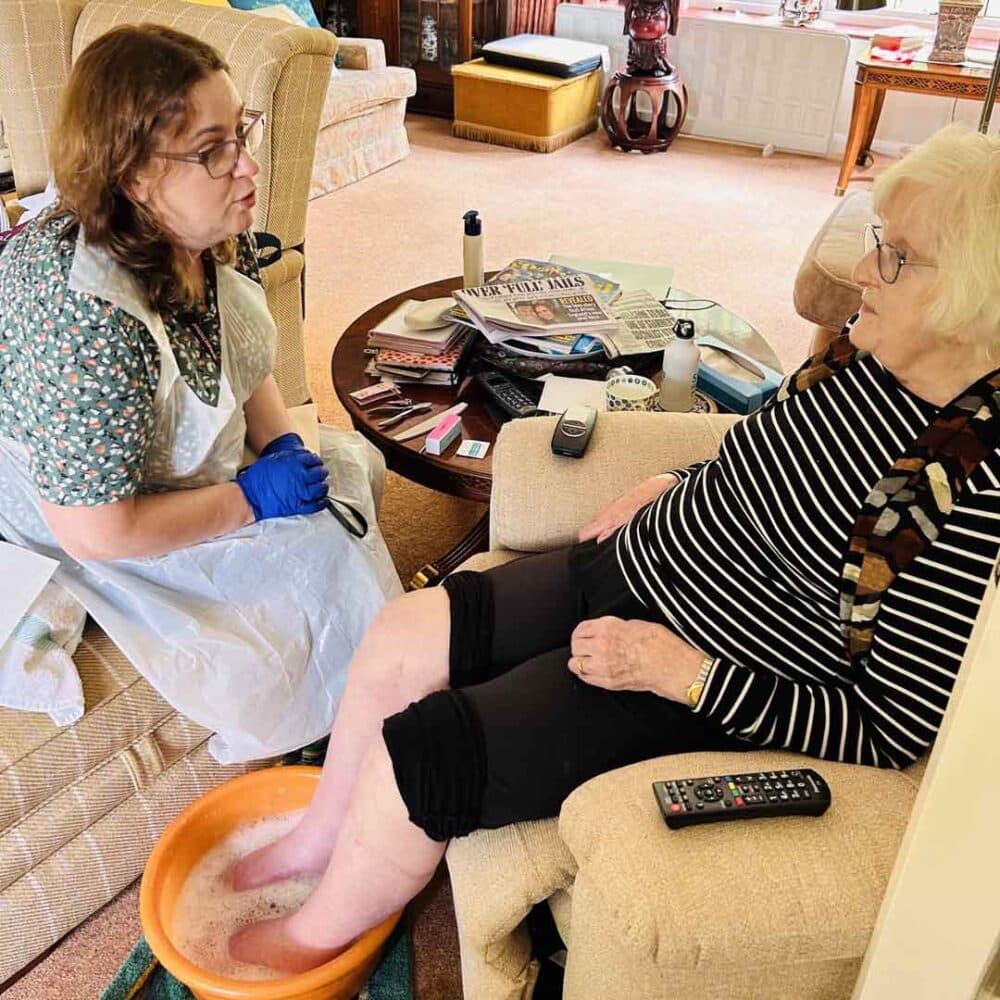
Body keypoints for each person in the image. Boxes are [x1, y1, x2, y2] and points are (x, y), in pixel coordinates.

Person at [228, 124, 1000, 973]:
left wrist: (681, 672)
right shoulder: (866, 350)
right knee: (402, 632)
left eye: (896, 256)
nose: (861, 269)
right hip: (642, 560)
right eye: (876, 241)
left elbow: (889, 725)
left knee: (424, 758)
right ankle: (315, 838)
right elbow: (764, 451)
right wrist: (671, 485)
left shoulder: (973, 493)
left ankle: (312, 938)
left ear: (977, 292)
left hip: (700, 666)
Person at [0, 26, 401, 763]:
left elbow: (237, 353)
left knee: (348, 470)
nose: (249, 166)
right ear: (133, 175)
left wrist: (281, 440)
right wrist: (250, 501)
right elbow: (96, 530)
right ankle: (349, 732)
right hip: (80, 505)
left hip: (162, 457)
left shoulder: (211, 223)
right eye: (213, 149)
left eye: (240, 131)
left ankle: (374, 685)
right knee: (318, 555)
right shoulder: (83, 319)